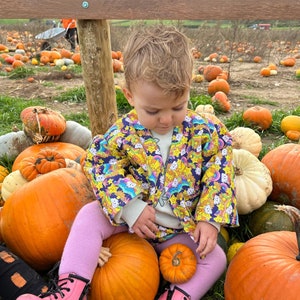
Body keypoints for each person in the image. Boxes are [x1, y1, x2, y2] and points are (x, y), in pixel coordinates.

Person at [17, 25, 239, 300]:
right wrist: (130, 207)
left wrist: (210, 219)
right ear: (130, 96)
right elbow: (100, 165)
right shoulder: (122, 134)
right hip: (130, 225)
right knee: (89, 216)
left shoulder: (205, 132)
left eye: (178, 106)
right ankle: (70, 290)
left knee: (216, 258)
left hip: (181, 230)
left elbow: (220, 172)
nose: (167, 119)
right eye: (153, 110)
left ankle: (176, 296)